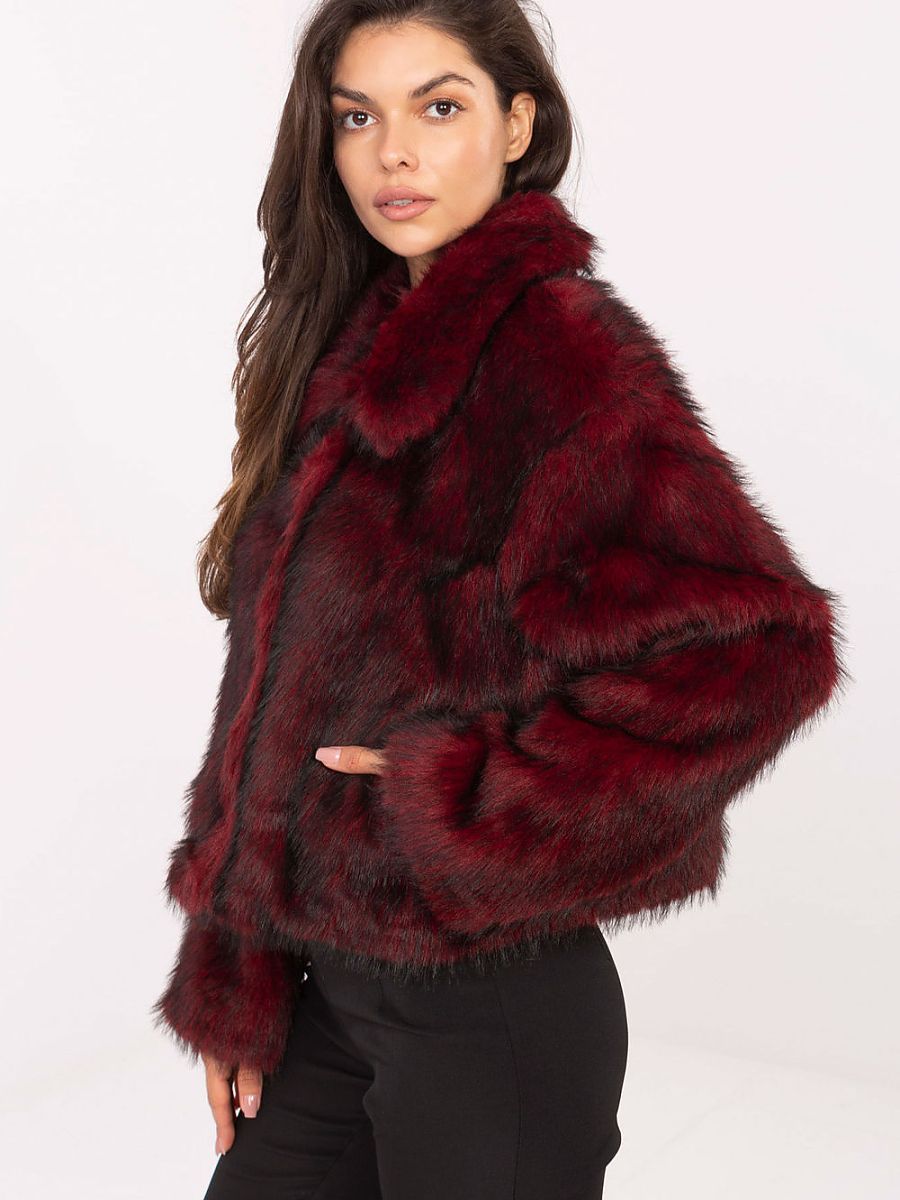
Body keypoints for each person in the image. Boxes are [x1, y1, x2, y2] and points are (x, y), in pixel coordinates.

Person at [151, 2, 849, 1197]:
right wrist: (236, 975)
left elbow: (765, 649)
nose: (394, 153)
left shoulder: (561, 354)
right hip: (331, 995)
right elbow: (272, 712)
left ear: (518, 126)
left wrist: (465, 795)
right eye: (357, 117)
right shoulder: (352, 355)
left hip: (492, 1011)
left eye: (440, 107)